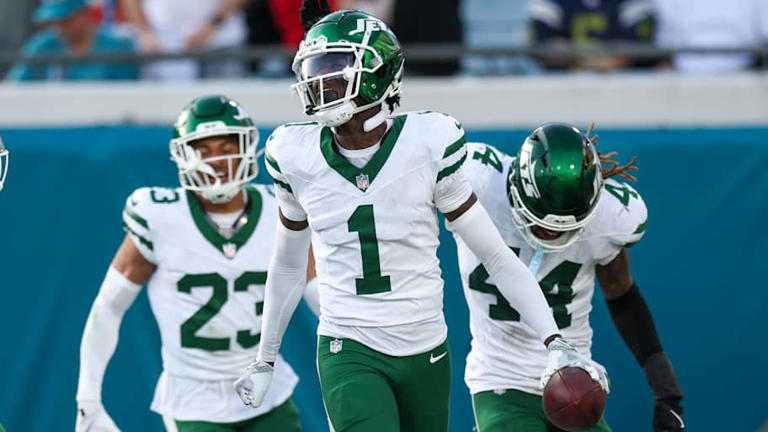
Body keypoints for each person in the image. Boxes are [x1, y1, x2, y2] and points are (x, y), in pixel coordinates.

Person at [232, 8, 606, 432]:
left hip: (424, 343)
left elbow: (496, 257)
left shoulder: (427, 144)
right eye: (316, 70)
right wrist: (264, 357)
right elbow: (287, 264)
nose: (321, 82)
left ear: (379, 75)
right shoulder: (293, 153)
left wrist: (555, 341)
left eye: (336, 69)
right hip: (348, 343)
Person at [75, 95, 317, 432]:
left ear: (248, 147)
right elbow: (109, 307)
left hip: (266, 390)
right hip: (193, 400)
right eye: (203, 149)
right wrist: (88, 396)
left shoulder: (278, 208)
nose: (216, 160)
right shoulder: (160, 217)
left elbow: (317, 291)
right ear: (183, 155)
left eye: (226, 145)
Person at [454, 124, 684, 431]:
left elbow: (621, 294)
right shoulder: (478, 182)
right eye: (541, 223)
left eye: (564, 227)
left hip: (577, 378)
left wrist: (666, 389)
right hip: (501, 377)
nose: (551, 233)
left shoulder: (610, 217)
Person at [6, 0, 139, 81]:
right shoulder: (40, 46)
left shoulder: (116, 48)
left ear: (84, 14)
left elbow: (126, 99)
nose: (60, 27)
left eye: (66, 20)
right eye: (55, 21)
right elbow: (15, 89)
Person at [119, 0, 249, 80]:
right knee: (163, 115)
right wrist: (145, 32)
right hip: (162, 46)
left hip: (220, 42)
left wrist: (212, 25)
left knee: (225, 115)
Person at [529, 0, 656, 72]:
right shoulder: (547, 2)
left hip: (626, 88)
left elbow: (634, 50)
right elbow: (546, 48)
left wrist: (575, 57)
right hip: (566, 89)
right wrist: (603, 60)